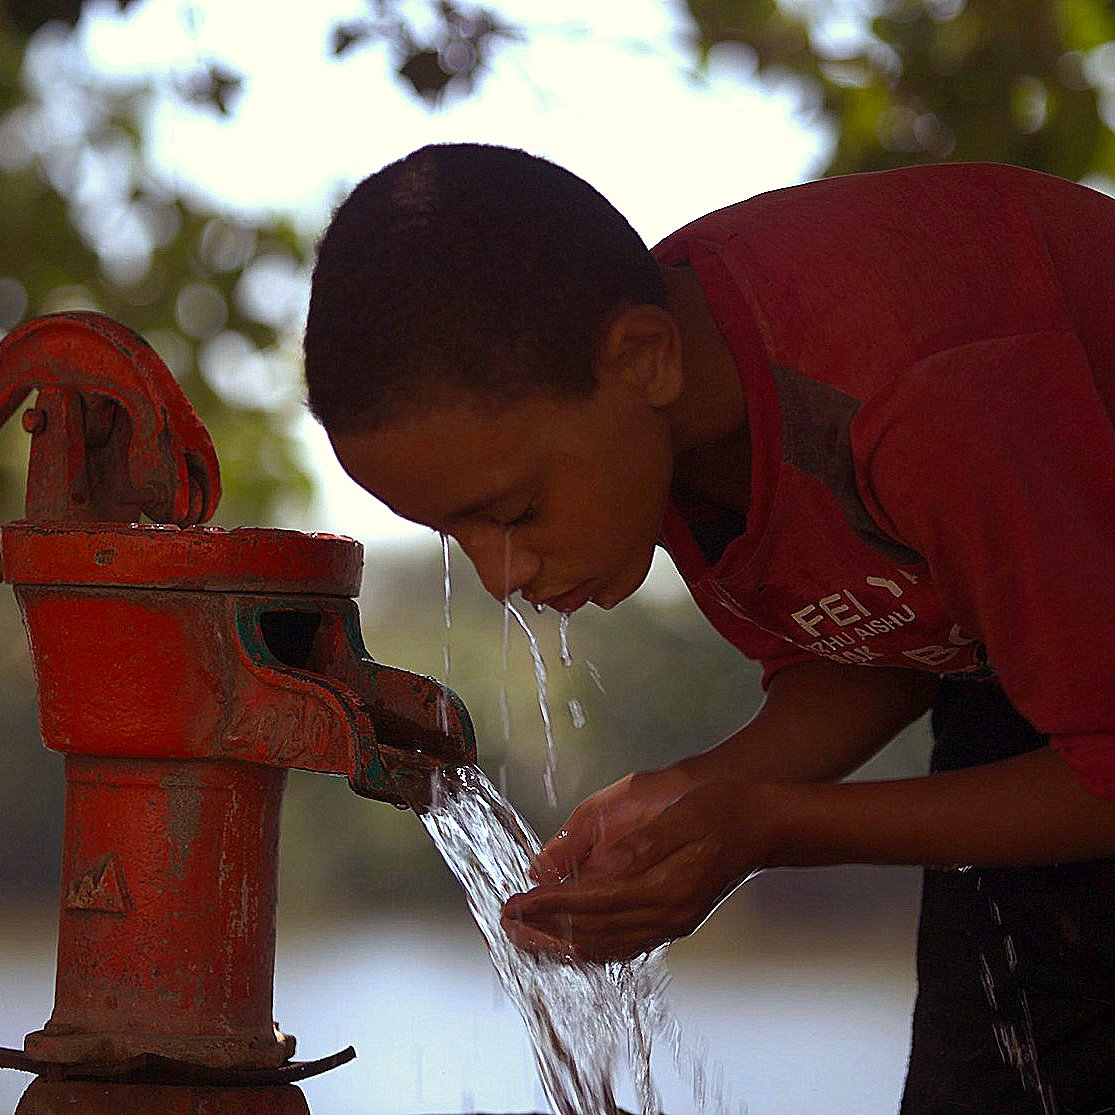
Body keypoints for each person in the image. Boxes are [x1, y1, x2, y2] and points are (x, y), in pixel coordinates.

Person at [302, 143, 1115, 1112]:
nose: (500, 577)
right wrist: (702, 789)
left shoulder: (916, 393)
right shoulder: (664, 397)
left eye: (513, 512)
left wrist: (767, 822)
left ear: (643, 359)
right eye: (454, 536)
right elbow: (900, 634)